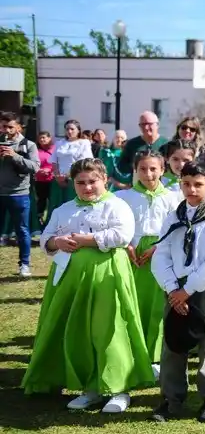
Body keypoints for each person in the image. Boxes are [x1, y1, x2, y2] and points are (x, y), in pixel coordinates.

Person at [22, 158, 154, 412]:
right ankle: (90, 387)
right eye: (80, 183)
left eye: (93, 181)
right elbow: (46, 238)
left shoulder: (117, 205)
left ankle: (118, 388)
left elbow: (122, 235)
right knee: (79, 328)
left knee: (109, 328)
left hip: (107, 275)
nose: (87, 187)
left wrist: (88, 239)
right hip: (71, 277)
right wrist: (56, 242)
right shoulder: (64, 209)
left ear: (104, 180)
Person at [150, 160, 205, 423]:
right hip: (175, 287)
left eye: (198, 184)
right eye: (186, 184)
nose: (192, 190)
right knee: (173, 341)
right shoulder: (173, 217)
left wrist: (187, 290)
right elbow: (161, 254)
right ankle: (171, 398)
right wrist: (173, 288)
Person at [115, 150, 182, 374]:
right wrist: (127, 244)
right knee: (134, 301)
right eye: (142, 169)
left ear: (162, 170)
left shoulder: (173, 197)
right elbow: (118, 224)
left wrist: (159, 247)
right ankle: (132, 350)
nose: (148, 174)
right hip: (133, 253)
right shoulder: (123, 197)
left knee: (157, 305)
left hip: (161, 252)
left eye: (153, 169)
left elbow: (177, 228)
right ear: (135, 170)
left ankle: (155, 355)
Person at [0, 111, 40, 277]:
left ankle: (24, 264)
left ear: (18, 127)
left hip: (19, 194)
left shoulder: (28, 145)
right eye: (4, 126)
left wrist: (15, 156)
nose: (7, 130)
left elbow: (35, 167)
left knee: (22, 230)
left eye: (10, 127)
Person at [50, 119, 93, 213]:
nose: (69, 131)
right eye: (67, 129)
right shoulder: (59, 143)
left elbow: (83, 162)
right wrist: (57, 176)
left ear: (78, 130)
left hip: (75, 179)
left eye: (72, 129)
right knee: (57, 206)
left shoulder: (84, 143)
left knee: (73, 206)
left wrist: (67, 176)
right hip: (58, 179)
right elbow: (54, 161)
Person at [117, 111, 169, 178]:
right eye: (143, 124)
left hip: (162, 182)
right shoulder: (132, 144)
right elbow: (121, 166)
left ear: (157, 125)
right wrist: (137, 165)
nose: (146, 127)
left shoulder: (166, 144)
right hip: (139, 182)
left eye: (149, 124)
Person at [34, 131, 54, 232]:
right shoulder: (36, 151)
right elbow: (33, 163)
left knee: (52, 201)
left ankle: (52, 221)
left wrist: (49, 170)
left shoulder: (55, 149)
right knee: (41, 201)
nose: (42, 140)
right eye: (40, 138)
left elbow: (57, 162)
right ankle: (39, 221)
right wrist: (39, 170)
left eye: (44, 137)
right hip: (40, 180)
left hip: (53, 180)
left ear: (49, 138)